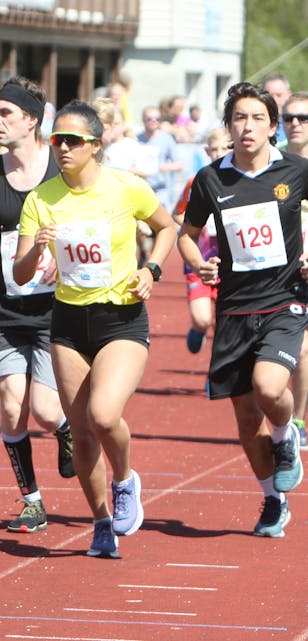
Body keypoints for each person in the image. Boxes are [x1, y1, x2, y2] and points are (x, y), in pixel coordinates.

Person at [14, 101, 177, 558]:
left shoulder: (126, 188)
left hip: (121, 318)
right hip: (68, 321)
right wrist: (37, 250)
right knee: (82, 432)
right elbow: (22, 273)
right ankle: (102, 521)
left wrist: (151, 270)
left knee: (104, 415)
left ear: (95, 145)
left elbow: (166, 228)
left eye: (73, 141)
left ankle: (125, 480)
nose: (63, 148)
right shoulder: (41, 199)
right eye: (56, 140)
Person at [178, 82, 307, 538]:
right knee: (246, 415)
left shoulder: (297, 169)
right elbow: (186, 234)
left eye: (257, 118)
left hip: (285, 299)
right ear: (228, 126)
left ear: (273, 126)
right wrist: (201, 264)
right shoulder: (211, 179)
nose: (247, 126)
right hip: (234, 308)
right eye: (239, 118)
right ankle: (273, 499)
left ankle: (287, 432)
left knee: (269, 389)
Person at [0, 77, 75, 534]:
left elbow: (93, 227)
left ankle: (68, 432)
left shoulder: (62, 169)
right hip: (7, 311)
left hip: (57, 309)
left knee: (48, 413)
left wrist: (65, 263)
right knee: (13, 408)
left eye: (5, 113)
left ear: (32, 120)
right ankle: (32, 500)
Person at [170, 128, 231, 354]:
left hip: (229, 260)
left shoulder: (240, 182)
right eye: (214, 149)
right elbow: (177, 213)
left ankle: (215, 375)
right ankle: (198, 328)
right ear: (206, 151)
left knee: (225, 324)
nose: (219, 153)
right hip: (200, 258)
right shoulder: (197, 180)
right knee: (203, 318)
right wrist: (200, 225)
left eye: (224, 148)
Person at [283, 92, 308, 448]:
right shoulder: (272, 163)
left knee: (303, 351)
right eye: (289, 118)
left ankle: (298, 419)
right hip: (278, 269)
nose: (296, 124)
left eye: (304, 118)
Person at [263, 72, 292, 147]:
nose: (274, 100)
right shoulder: (255, 124)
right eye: (270, 96)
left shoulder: (298, 124)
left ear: (289, 95)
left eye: (279, 95)